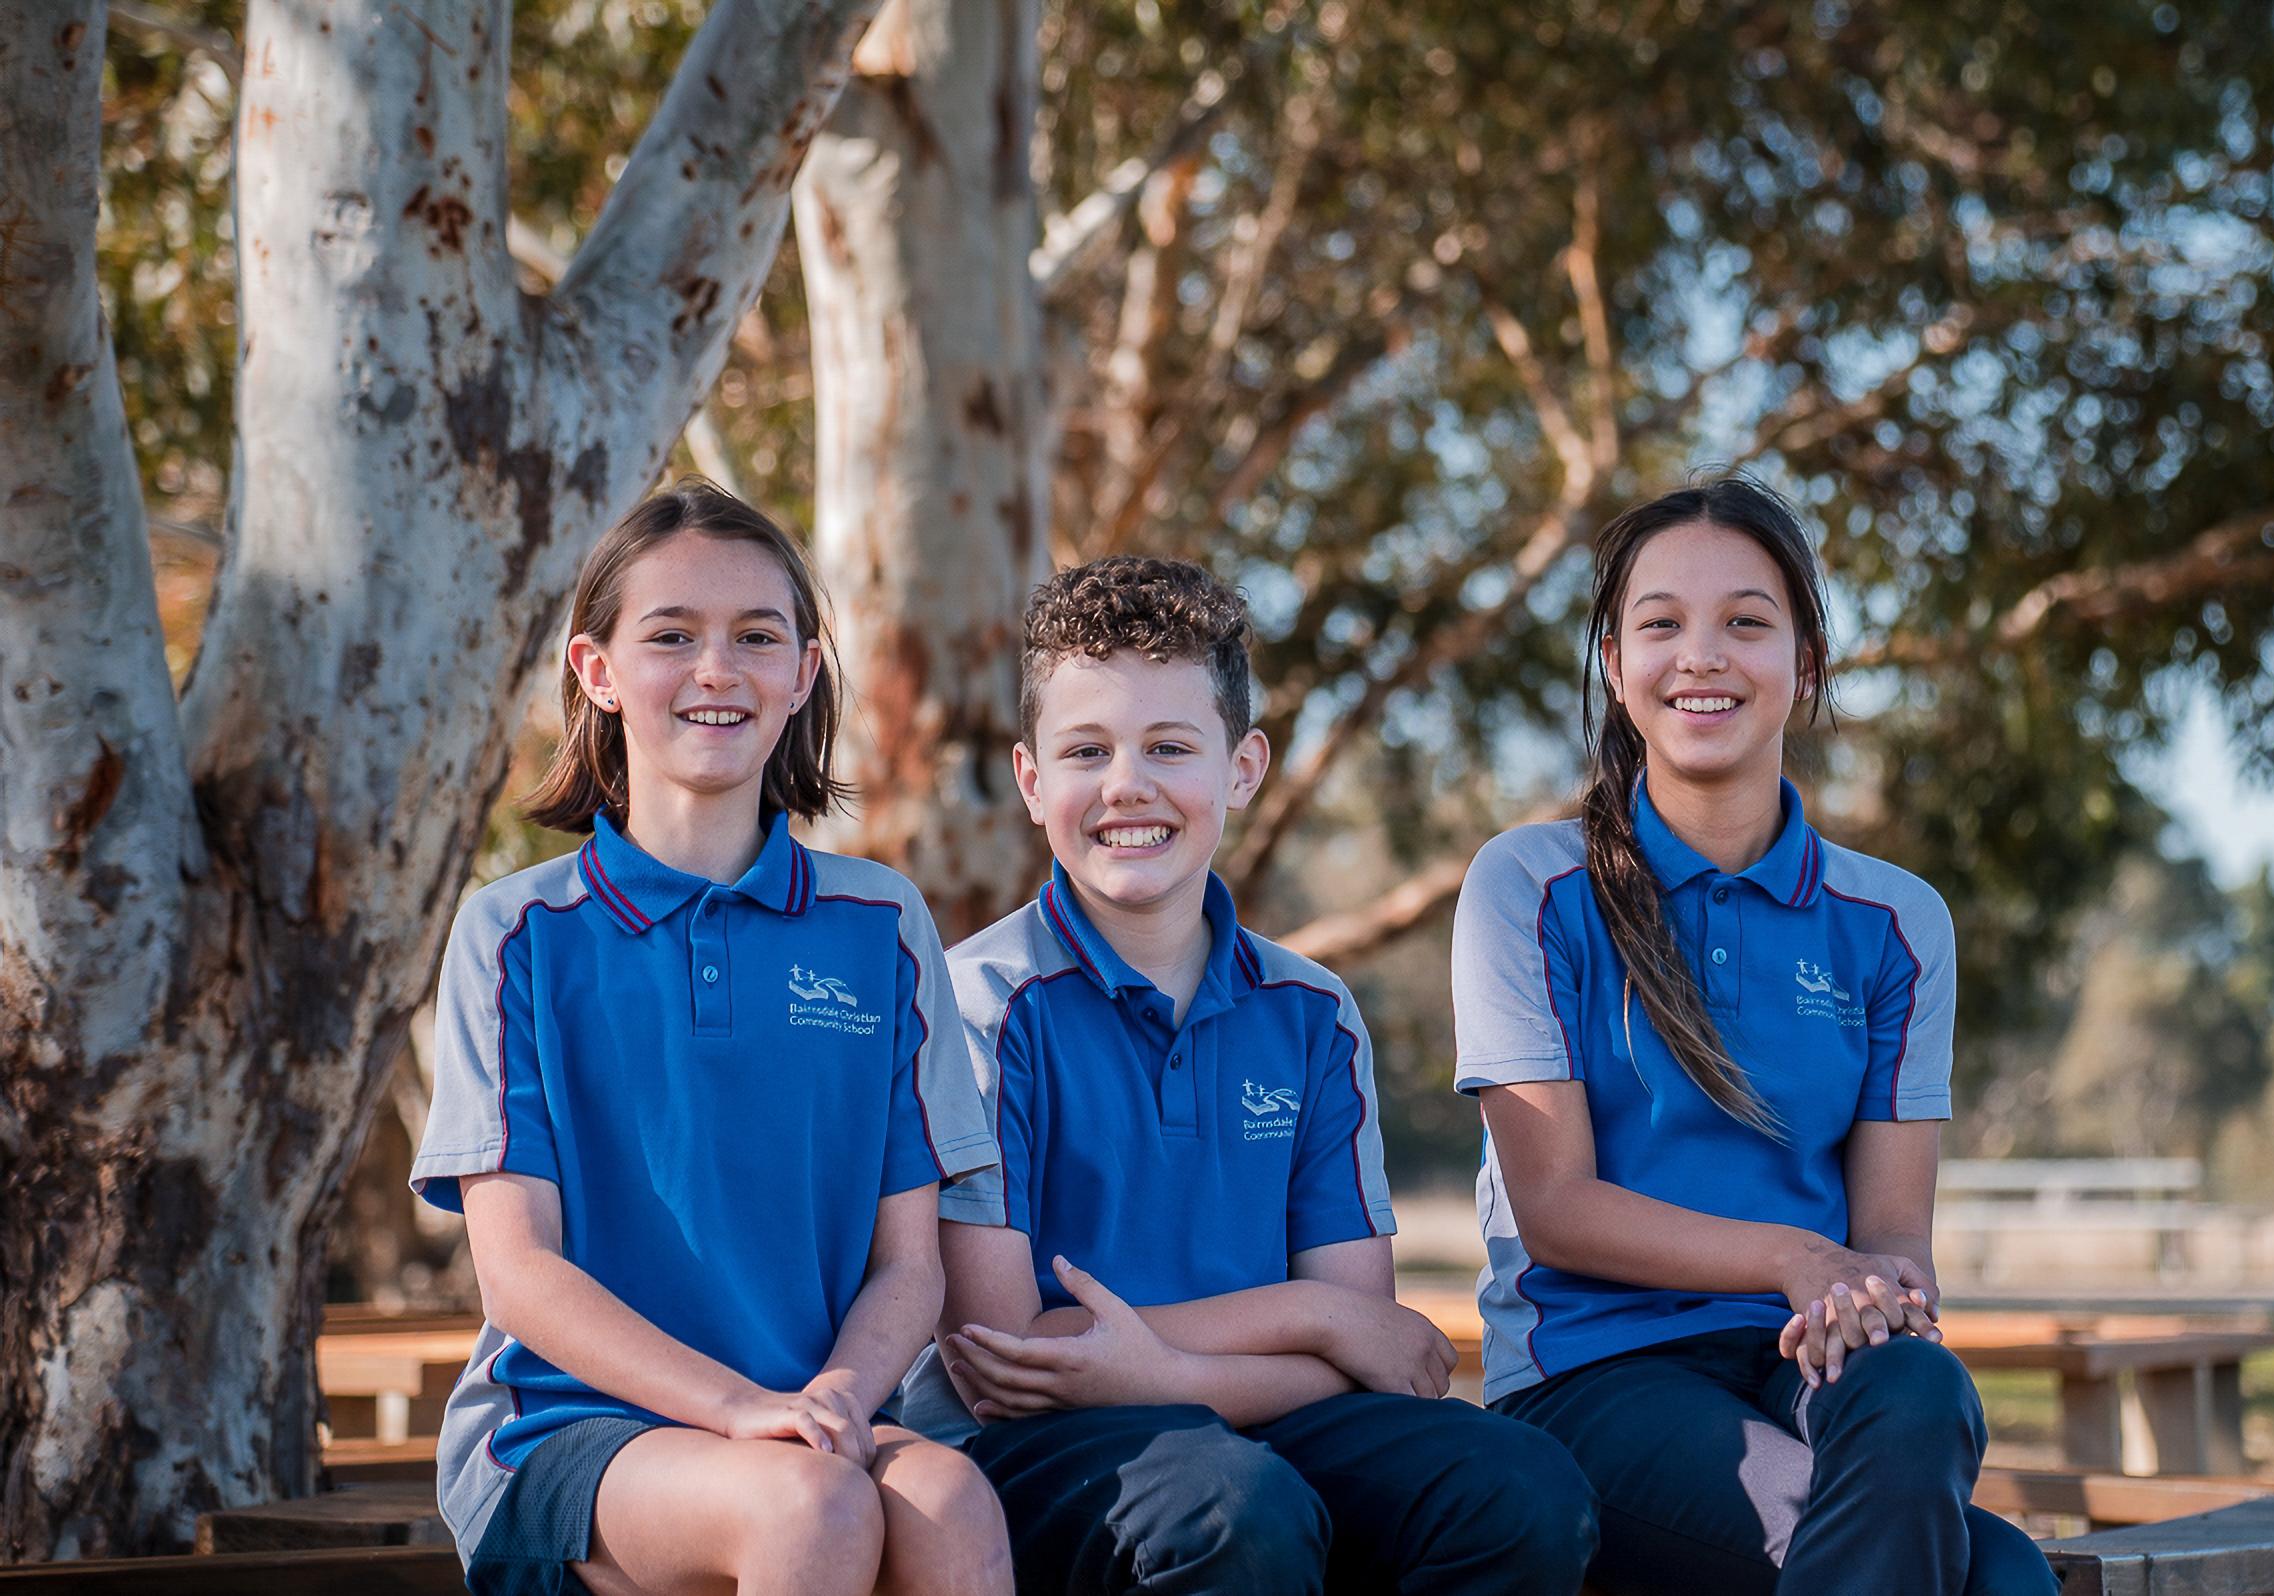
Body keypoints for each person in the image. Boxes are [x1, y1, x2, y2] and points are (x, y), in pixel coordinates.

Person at [901, 556, 1598, 1595]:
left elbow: (1367, 1342)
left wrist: (1176, 1369)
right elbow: (1008, 1358)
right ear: (1032, 780)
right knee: (1237, 1512)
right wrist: (1311, 1320)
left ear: (1243, 768)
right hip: (1032, 1453)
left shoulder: (1311, 1014)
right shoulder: (977, 1007)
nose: (1126, 784)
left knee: (1521, 1489)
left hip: (1252, 1425)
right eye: (1087, 750)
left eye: (1169, 747)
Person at [1452, 477, 2057, 1595]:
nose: (1702, 656)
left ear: (1806, 663)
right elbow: (1555, 1209)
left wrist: (1872, 1295)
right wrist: (1791, 1259)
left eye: (1745, 621)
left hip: (1808, 1360)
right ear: (1614, 664)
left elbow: (1893, 1234)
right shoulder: (1529, 887)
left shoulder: (1896, 922)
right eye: (1661, 624)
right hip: (1592, 1374)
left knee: (1926, 1387)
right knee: (2002, 1580)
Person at [410, 481, 1012, 1596]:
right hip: (567, 1431)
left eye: (756, 637)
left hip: (817, 1415)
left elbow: (910, 1264)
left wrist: (837, 1395)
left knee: (951, 1503)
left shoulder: (881, 925)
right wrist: (740, 1411)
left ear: (804, 673)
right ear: (597, 671)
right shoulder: (517, 933)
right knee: (810, 1507)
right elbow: (520, 1274)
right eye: (672, 636)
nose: (717, 670)